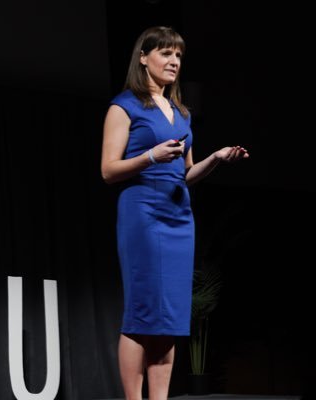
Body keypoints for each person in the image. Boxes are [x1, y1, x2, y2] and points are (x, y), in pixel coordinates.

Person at [101, 26, 249, 400]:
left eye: (179, 56)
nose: (174, 62)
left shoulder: (181, 113)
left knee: (169, 318)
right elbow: (108, 170)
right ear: (143, 57)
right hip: (142, 211)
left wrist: (215, 159)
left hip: (178, 215)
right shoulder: (125, 106)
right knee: (142, 312)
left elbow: (186, 174)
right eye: (166, 54)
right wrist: (150, 156)